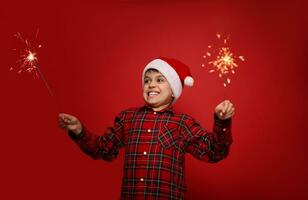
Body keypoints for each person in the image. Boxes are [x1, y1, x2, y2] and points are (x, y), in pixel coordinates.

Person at [58, 57, 235, 200]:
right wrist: (79, 130)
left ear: (173, 90)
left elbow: (214, 152)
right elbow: (103, 149)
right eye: (147, 80)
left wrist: (222, 122)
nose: (151, 85)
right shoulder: (128, 118)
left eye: (159, 80)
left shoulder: (182, 123)